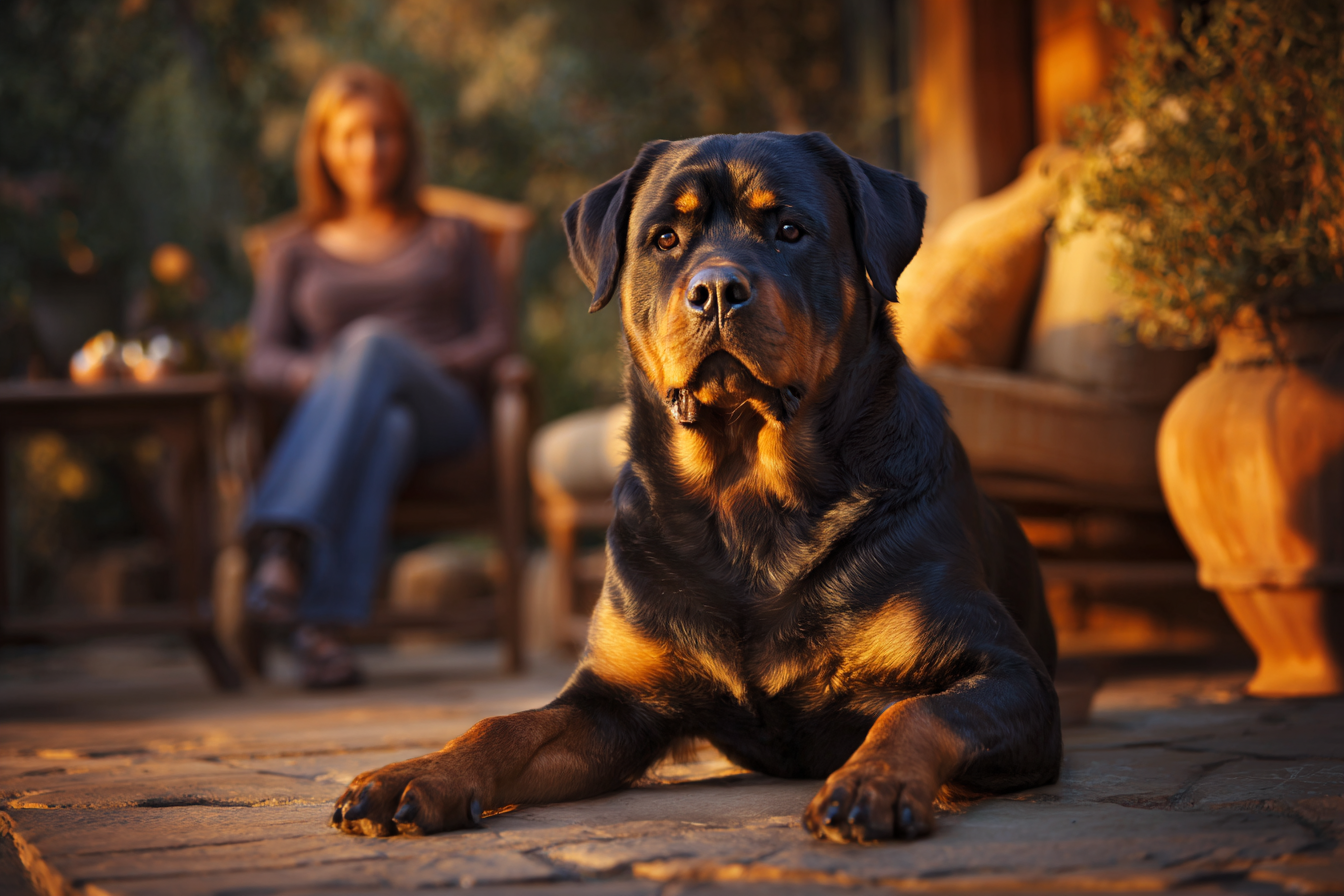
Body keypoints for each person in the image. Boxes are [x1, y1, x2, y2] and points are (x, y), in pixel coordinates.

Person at [242, 63, 506, 688]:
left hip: (447, 412)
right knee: (385, 422)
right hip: (362, 422)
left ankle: (282, 542)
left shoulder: (452, 234)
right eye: (352, 135)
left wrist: (418, 361)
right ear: (324, 147)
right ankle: (322, 634)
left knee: (373, 344)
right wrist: (319, 377)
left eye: (384, 133)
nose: (370, 150)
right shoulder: (294, 248)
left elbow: (497, 337)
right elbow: (261, 358)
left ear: (406, 141)